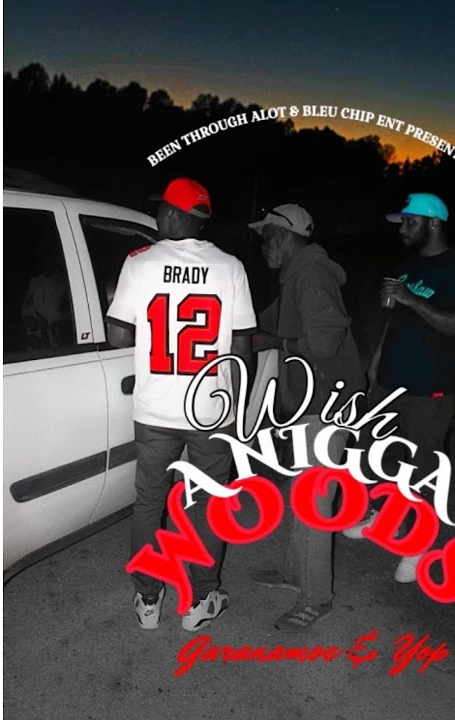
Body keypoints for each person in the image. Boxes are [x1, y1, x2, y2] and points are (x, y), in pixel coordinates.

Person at [105, 178, 257, 631]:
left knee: (149, 503)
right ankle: (202, 600)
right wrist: (238, 409)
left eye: (160, 209)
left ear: (173, 214)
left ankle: (148, 601)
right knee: (207, 505)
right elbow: (243, 345)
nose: (157, 216)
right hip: (210, 410)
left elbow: (117, 335)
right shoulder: (230, 266)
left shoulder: (139, 262)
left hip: (155, 410)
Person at [341, 192, 455, 582]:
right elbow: (395, 319)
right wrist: (377, 358)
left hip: (428, 387)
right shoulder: (409, 265)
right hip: (389, 380)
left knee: (421, 467)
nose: (402, 228)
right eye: (402, 222)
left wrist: (411, 299)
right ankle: (379, 515)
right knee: (374, 453)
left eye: (409, 222)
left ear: (433, 223)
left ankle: (417, 546)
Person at [245, 204, 364, 632]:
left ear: (286, 234)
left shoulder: (311, 275)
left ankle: (317, 598)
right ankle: (295, 572)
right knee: (303, 491)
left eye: (267, 237)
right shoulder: (295, 275)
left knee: (314, 500)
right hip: (309, 402)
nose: (263, 246)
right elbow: (262, 322)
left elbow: (325, 344)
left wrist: (274, 341)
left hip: (327, 404)